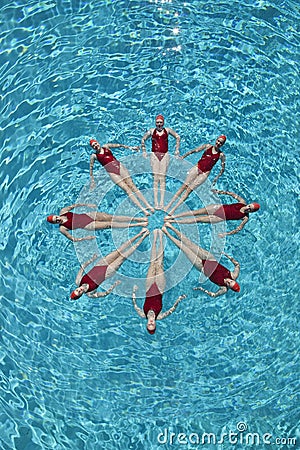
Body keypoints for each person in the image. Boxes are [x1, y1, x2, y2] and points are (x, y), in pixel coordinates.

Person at [162, 223, 240, 297]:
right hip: (210, 259)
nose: (229, 281)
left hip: (202, 267)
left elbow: (214, 295)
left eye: (229, 284)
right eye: (231, 281)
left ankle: (166, 233)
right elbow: (237, 265)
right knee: (189, 244)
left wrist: (202, 289)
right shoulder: (233, 275)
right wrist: (227, 256)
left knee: (184, 248)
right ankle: (171, 227)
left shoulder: (224, 289)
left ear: (229, 287)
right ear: (234, 280)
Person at [70, 228, 149, 300]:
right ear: (81, 295)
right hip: (107, 273)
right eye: (79, 292)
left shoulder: (78, 281)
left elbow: (83, 267)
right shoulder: (90, 293)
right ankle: (143, 237)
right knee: (123, 256)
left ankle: (139, 233)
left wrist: (92, 260)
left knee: (119, 250)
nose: (79, 290)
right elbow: (105, 294)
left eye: (77, 290)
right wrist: (114, 286)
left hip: (99, 265)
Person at [132, 229, 186, 334]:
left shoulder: (142, 314)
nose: (151, 323)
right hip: (160, 289)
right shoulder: (160, 316)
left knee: (152, 264)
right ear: (155, 324)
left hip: (148, 288)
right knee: (159, 264)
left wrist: (134, 292)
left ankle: (154, 240)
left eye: (149, 325)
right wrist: (179, 300)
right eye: (153, 325)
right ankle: (161, 239)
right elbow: (172, 309)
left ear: (146, 324)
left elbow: (134, 304)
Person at [89, 139, 154, 215]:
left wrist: (131, 148)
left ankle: (148, 205)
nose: (95, 146)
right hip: (112, 173)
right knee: (127, 190)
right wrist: (92, 180)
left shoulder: (106, 146)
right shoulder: (94, 156)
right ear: (92, 148)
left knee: (133, 187)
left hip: (120, 167)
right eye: (93, 146)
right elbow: (91, 167)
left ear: (98, 143)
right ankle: (143, 209)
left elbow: (118, 145)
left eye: (95, 144)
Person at [165, 135, 227, 215]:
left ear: (223, 144)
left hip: (205, 173)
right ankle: (169, 204)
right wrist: (184, 156)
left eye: (221, 143)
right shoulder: (207, 146)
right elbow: (194, 151)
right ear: (216, 140)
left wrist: (217, 178)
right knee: (184, 186)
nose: (218, 143)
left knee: (189, 190)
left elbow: (222, 167)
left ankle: (173, 209)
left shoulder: (221, 155)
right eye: (218, 141)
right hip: (197, 167)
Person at [166, 189, 260, 237]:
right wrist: (218, 192)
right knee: (195, 212)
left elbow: (238, 229)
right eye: (249, 206)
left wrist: (225, 234)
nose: (248, 208)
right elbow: (231, 194)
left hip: (220, 218)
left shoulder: (245, 218)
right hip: (217, 208)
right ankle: (173, 216)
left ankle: (173, 222)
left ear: (252, 212)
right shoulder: (242, 202)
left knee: (197, 219)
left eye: (250, 209)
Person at [46, 203, 148, 242]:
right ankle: (137, 224)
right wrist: (85, 238)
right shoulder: (62, 228)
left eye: (56, 218)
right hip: (88, 225)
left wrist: (87, 205)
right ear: (55, 224)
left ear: (56, 215)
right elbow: (72, 239)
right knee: (110, 225)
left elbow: (74, 206)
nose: (58, 219)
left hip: (89, 215)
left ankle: (138, 219)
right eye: (56, 221)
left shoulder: (63, 211)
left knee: (112, 217)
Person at [141, 114, 181, 209]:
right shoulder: (151, 131)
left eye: (161, 122)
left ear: (163, 123)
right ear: (155, 123)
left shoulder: (167, 130)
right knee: (155, 179)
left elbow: (177, 137)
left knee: (162, 179)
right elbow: (143, 139)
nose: (159, 124)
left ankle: (162, 202)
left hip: (165, 155)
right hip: (154, 155)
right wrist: (144, 151)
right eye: (157, 122)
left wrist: (177, 149)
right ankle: (155, 202)